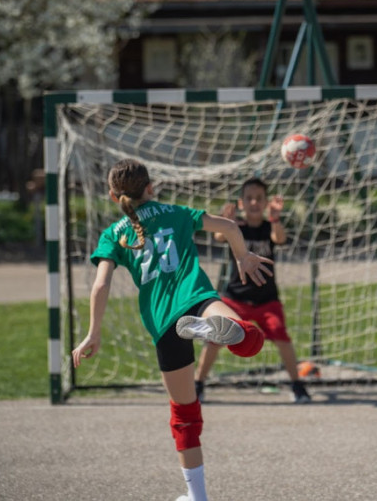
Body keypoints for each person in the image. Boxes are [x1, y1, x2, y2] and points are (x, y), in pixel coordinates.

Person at [71, 159, 271, 501]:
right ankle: (212, 329)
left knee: (184, 415)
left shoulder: (114, 234)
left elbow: (100, 285)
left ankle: (197, 496)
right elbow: (228, 226)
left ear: (113, 196)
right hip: (199, 298)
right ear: (151, 188)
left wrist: (94, 332)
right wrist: (242, 257)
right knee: (251, 339)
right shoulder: (176, 212)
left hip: (164, 323)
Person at [194, 177, 311, 404]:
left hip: (267, 300)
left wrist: (275, 218)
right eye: (249, 198)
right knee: (216, 337)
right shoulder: (235, 228)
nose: (254, 202)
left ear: (266, 203)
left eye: (259, 198)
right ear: (241, 203)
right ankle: (198, 384)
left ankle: (297, 385)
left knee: (282, 337)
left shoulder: (269, 227)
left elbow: (280, 238)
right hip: (236, 298)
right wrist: (226, 222)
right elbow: (219, 236)